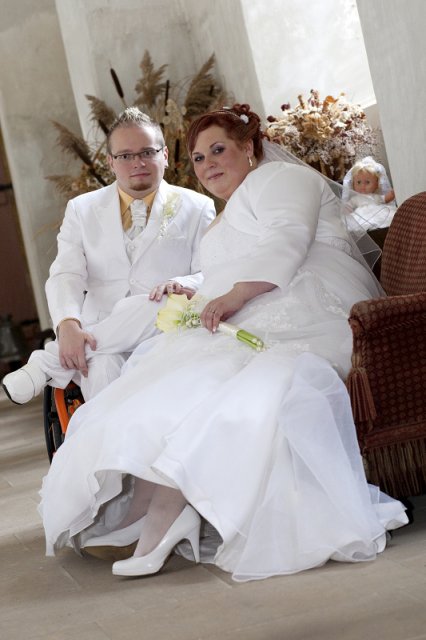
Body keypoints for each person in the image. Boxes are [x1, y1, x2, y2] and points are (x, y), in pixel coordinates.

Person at [38, 104, 407, 582]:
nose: (207, 164)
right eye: (198, 157)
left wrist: (232, 295)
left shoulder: (281, 179)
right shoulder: (228, 209)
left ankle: (164, 513)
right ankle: (150, 510)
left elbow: (287, 240)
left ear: (249, 147)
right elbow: (216, 269)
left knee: (204, 383)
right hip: (245, 312)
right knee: (167, 380)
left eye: (218, 150)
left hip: (304, 312)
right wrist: (202, 295)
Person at [2, 107, 215, 402]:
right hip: (98, 337)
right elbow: (66, 273)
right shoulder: (81, 209)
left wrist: (183, 283)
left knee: (163, 302)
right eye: (125, 155)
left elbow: (212, 272)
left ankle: (47, 363)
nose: (137, 162)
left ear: (165, 155)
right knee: (102, 367)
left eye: (147, 152)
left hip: (163, 333)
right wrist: (68, 323)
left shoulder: (198, 206)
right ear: (110, 162)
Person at [342, 156, 397, 232]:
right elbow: (348, 207)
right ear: (353, 184)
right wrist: (343, 211)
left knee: (388, 218)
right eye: (358, 182)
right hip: (361, 215)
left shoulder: (375, 197)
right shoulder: (356, 199)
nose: (363, 186)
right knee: (360, 224)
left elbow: (385, 199)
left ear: (376, 184)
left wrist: (393, 193)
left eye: (367, 182)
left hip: (378, 212)